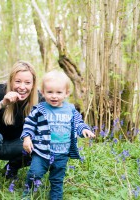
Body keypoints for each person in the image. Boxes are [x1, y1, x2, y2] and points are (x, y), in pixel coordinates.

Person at [21, 70, 95, 199]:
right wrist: (27, 137)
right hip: (41, 153)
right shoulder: (40, 109)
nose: (54, 96)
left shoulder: (71, 110)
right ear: (43, 92)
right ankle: (28, 195)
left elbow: (78, 123)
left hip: (62, 154)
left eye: (59, 92)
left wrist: (84, 130)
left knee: (57, 180)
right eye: (50, 92)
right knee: (34, 173)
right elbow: (29, 124)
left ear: (66, 93)